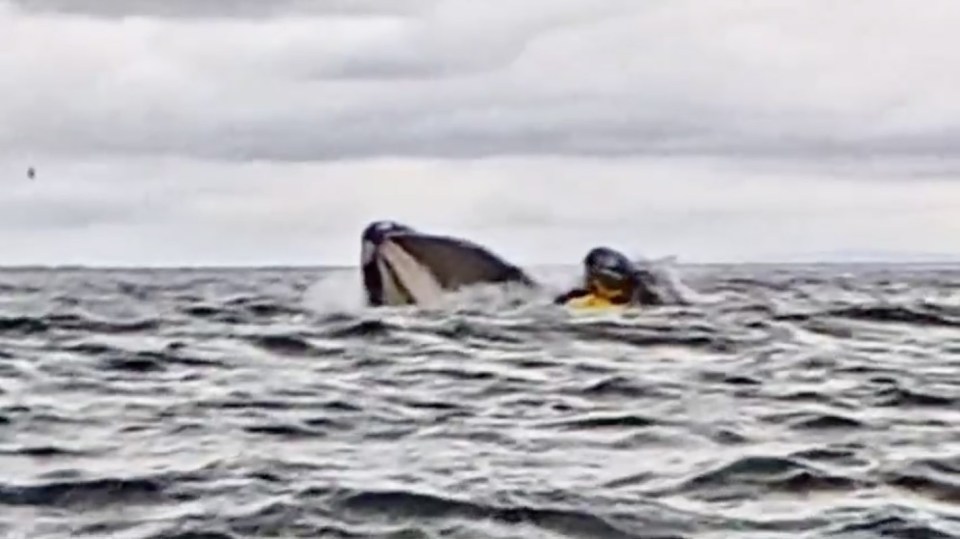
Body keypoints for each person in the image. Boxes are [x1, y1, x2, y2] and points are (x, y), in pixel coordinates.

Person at [554, 246, 662, 308]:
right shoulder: (574, 298)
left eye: (610, 282)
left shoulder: (649, 298)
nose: (620, 292)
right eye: (590, 281)